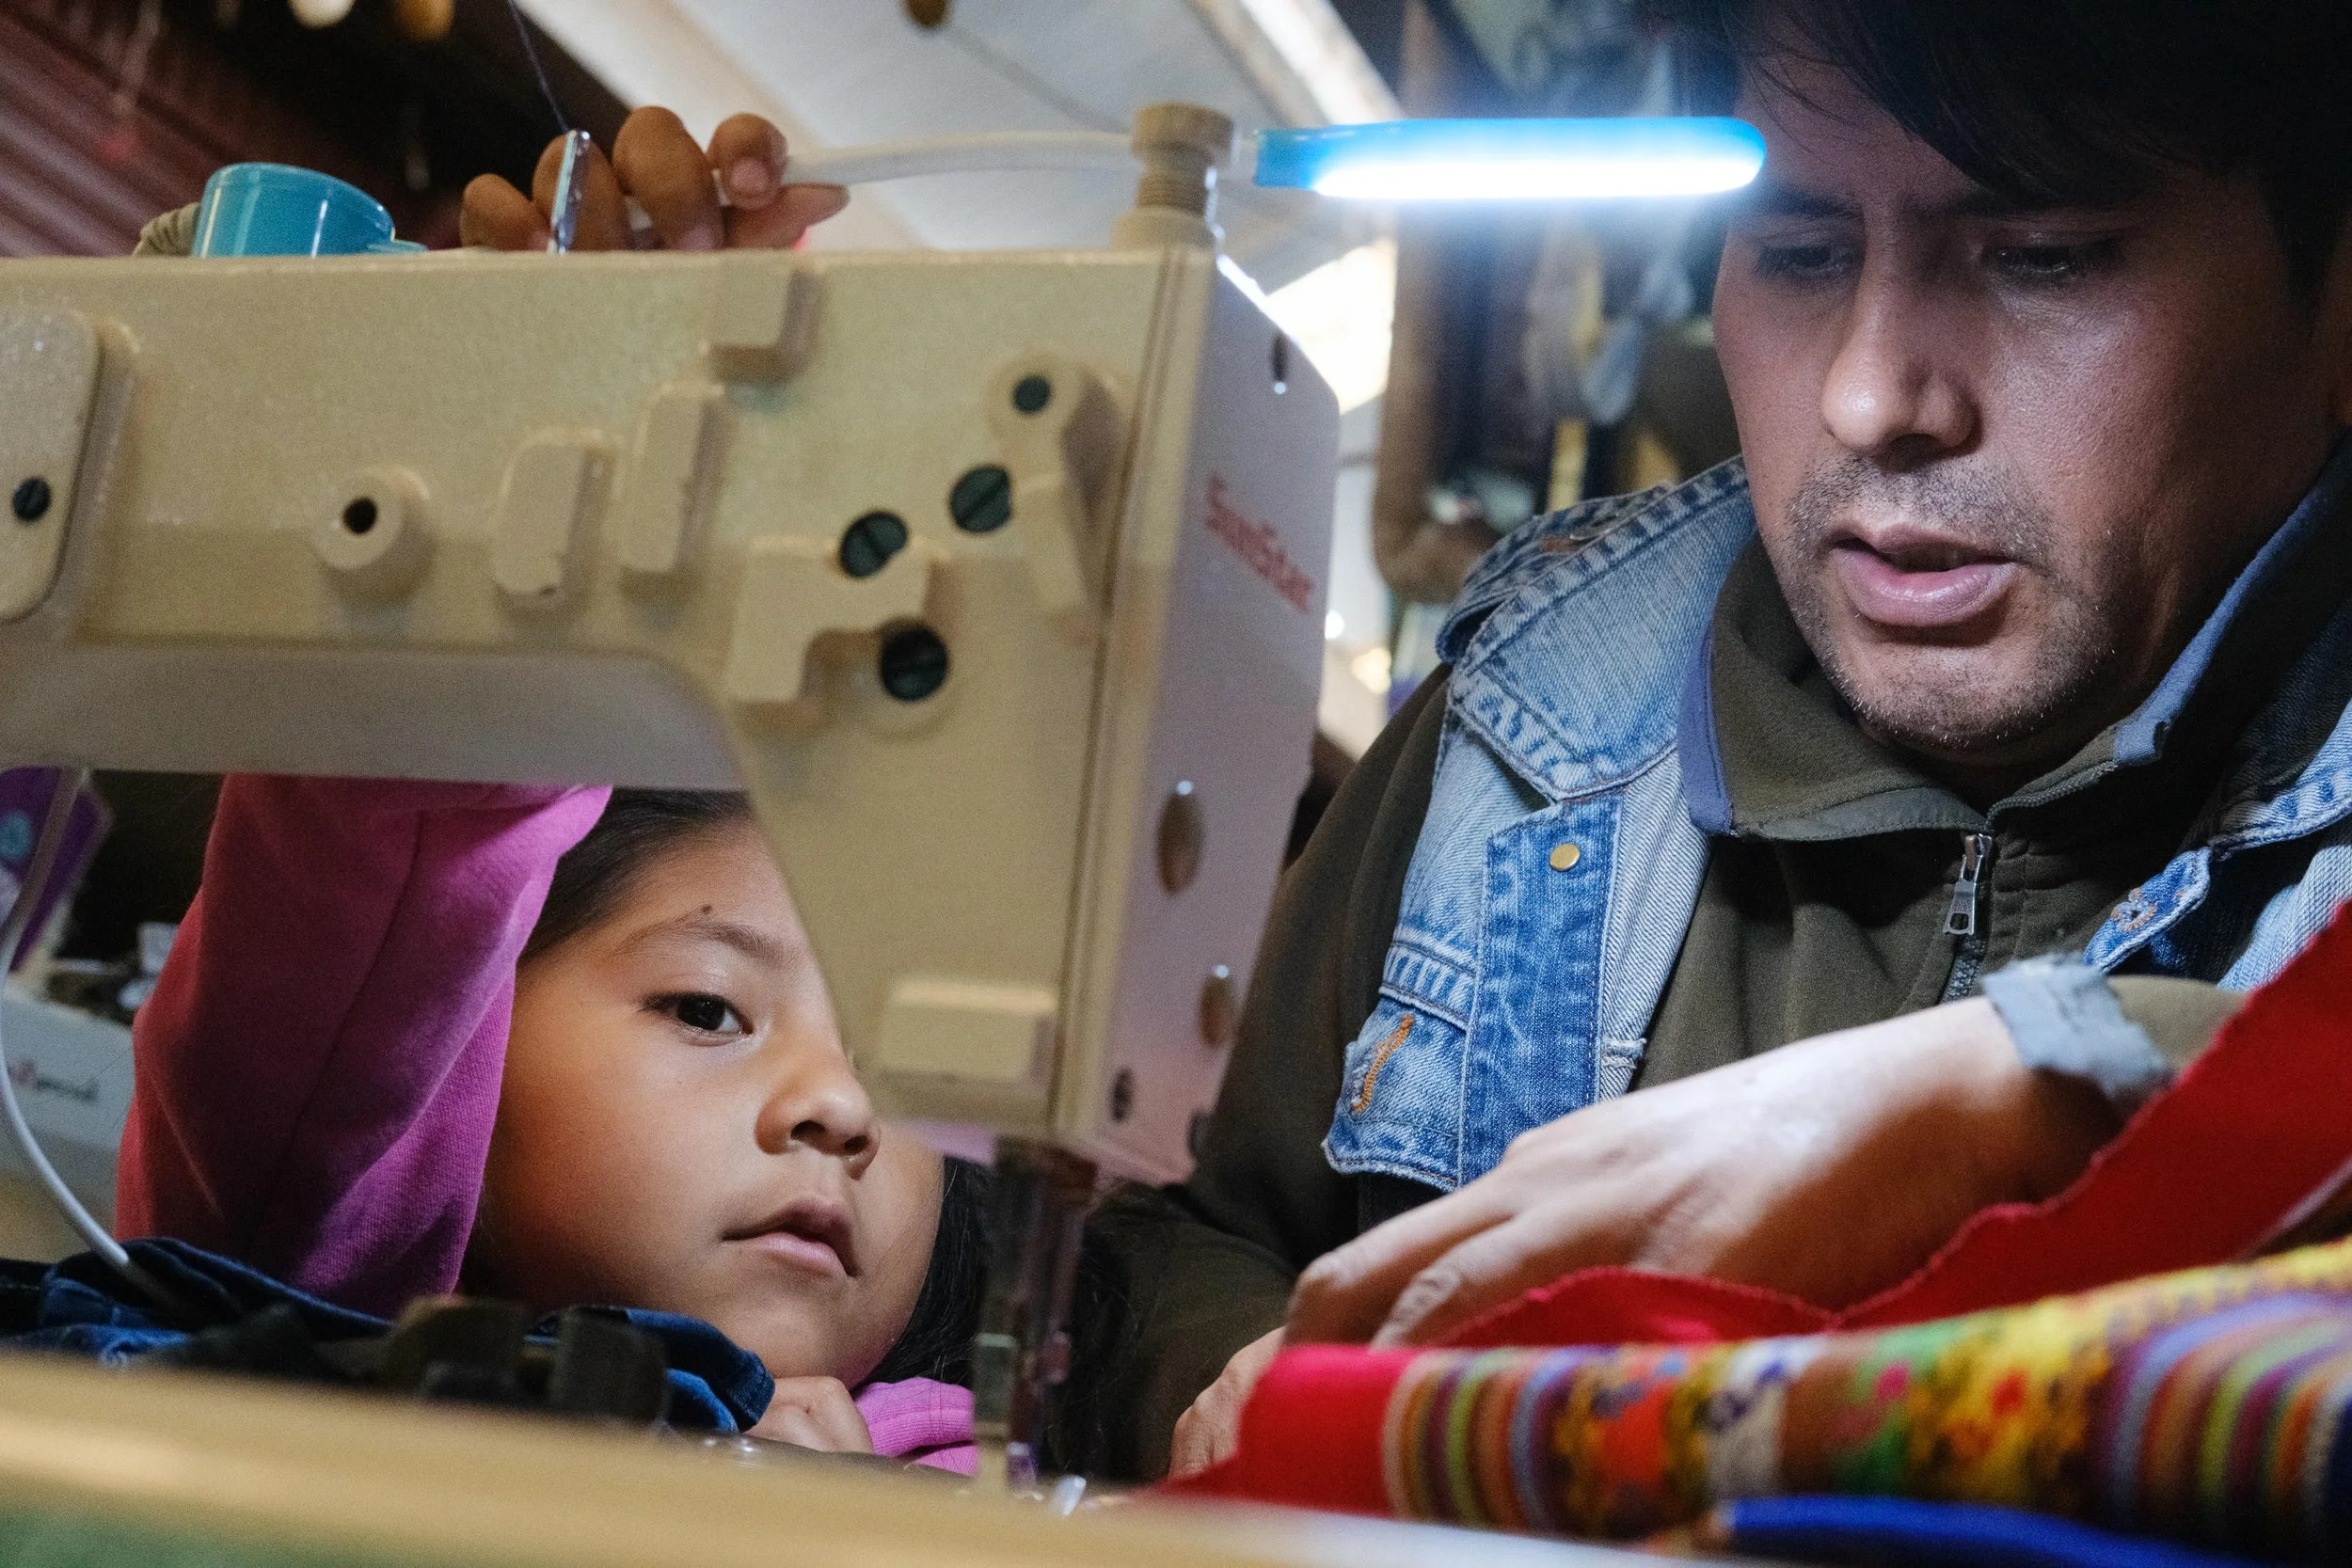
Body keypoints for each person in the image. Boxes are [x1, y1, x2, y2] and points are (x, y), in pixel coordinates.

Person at [453, 7, 2352, 1481]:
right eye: (1787, 244)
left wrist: (2065, 1084)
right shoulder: (1538, 708)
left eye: (2037, 253)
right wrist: (1246, 1376)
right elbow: (1168, 1247)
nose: (1872, 390)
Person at [119, 778, 984, 1465]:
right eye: (707, 1009)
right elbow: (405, 800)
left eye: (902, 1070)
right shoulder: (298, 1341)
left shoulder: (1001, 1506)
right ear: (460, 1020)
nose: (841, 1108)